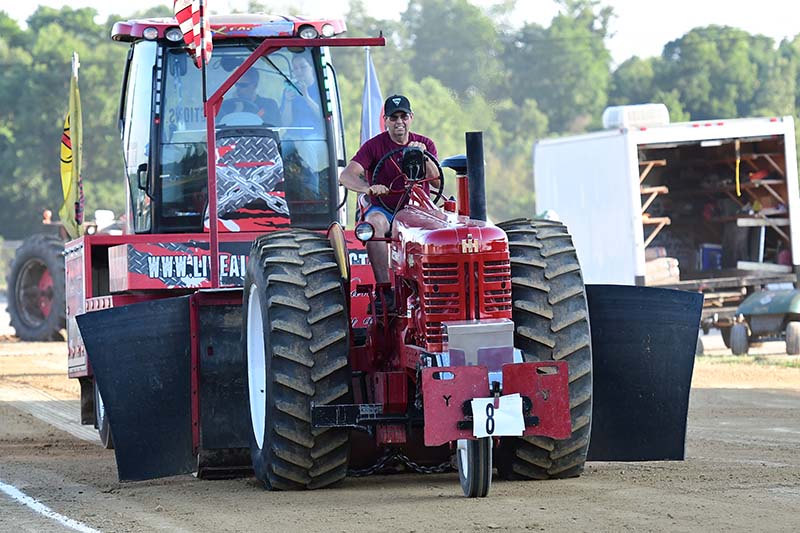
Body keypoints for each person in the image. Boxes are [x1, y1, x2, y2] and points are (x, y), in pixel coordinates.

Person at [339, 94, 439, 302]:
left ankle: (433, 288)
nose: (399, 122)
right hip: (385, 210)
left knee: (440, 232)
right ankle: (384, 290)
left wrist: (423, 156)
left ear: (411, 117)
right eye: (393, 118)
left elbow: (437, 182)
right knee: (373, 223)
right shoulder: (374, 146)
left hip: (417, 211)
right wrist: (368, 188)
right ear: (385, 120)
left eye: (403, 116)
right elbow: (346, 176)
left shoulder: (425, 143)